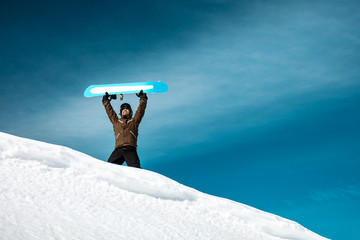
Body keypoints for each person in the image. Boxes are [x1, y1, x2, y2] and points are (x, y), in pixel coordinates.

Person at [102, 90, 148, 168]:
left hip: (130, 149)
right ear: (121, 112)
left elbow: (140, 111)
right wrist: (106, 100)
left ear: (130, 112)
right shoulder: (116, 122)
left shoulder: (134, 121)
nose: (125, 110)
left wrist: (143, 99)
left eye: (127, 109)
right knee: (108, 168)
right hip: (118, 149)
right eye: (123, 109)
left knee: (137, 170)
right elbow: (110, 112)